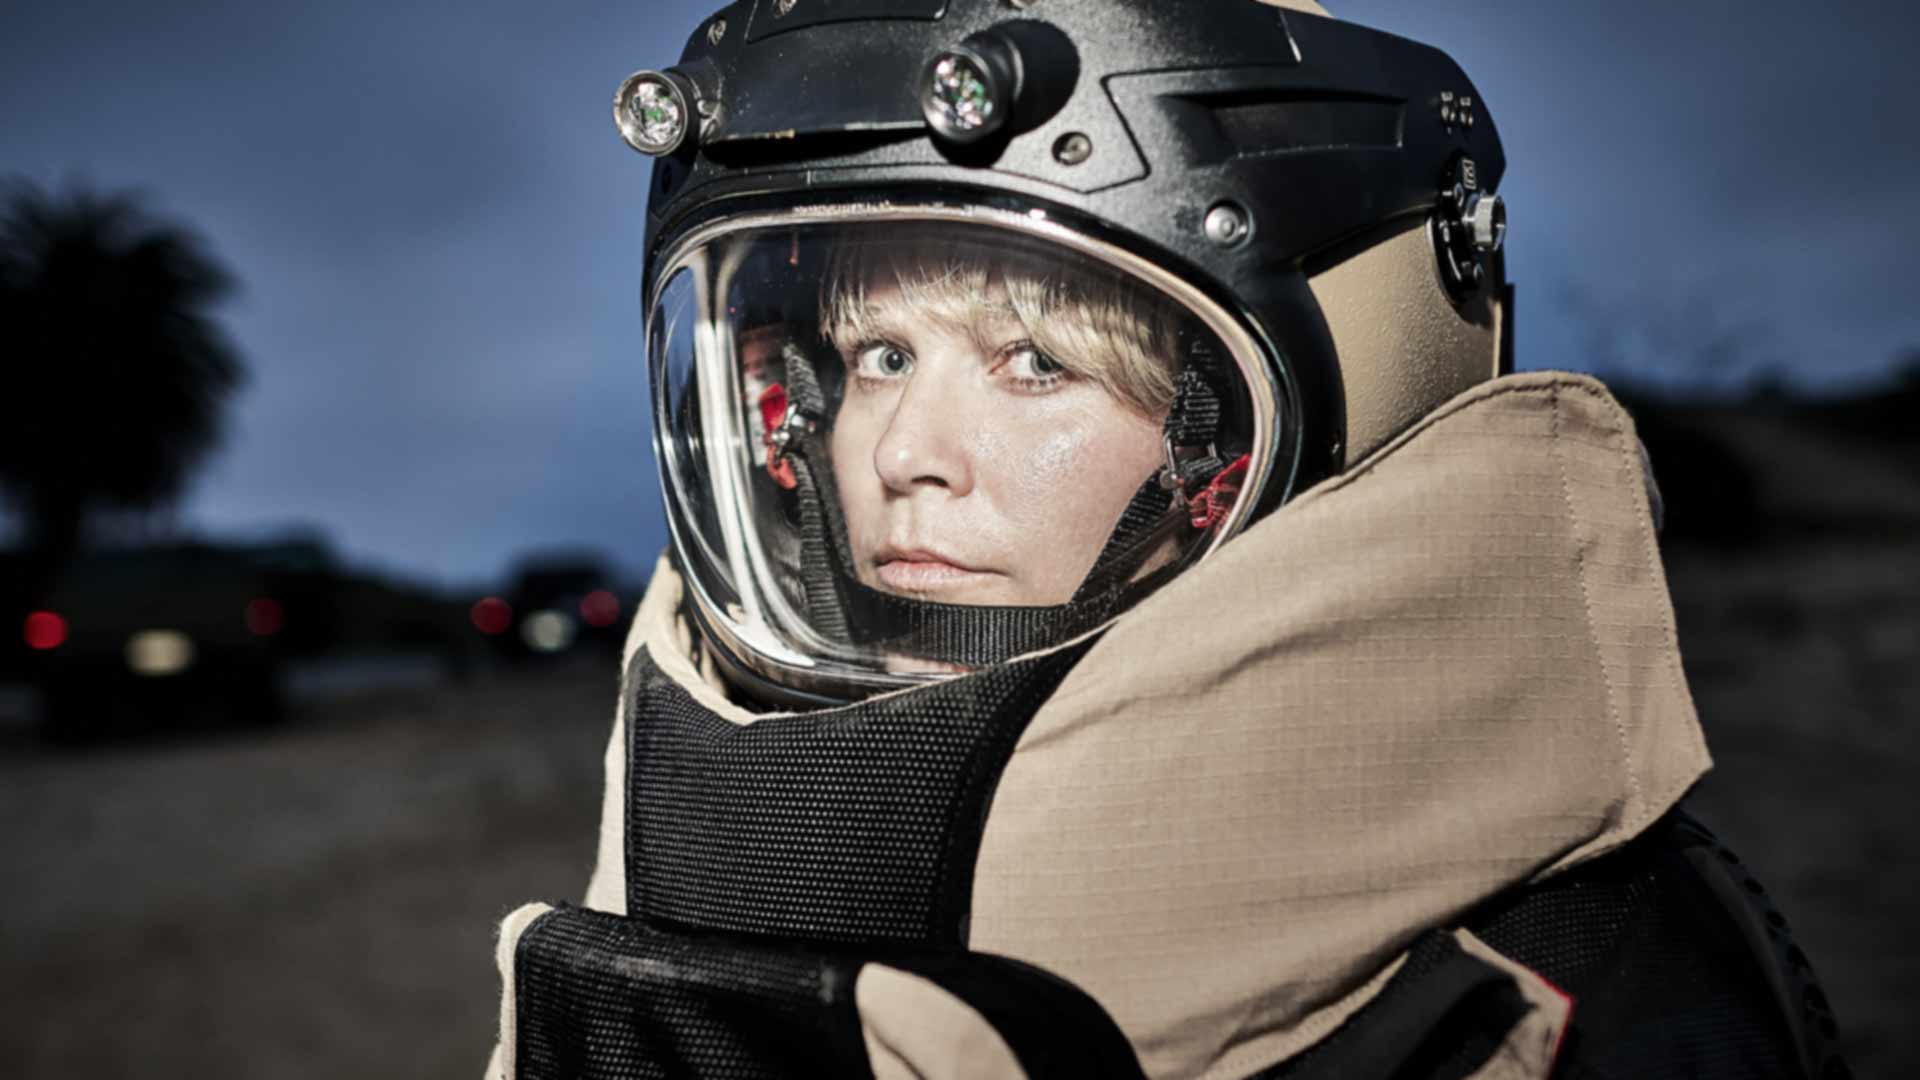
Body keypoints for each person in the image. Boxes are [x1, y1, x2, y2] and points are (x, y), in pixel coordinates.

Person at [487, 1, 1846, 1077]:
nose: (903, 452)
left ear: (1222, 450)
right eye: (879, 353)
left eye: (1033, 365)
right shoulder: (687, 824)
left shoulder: (1580, 971)